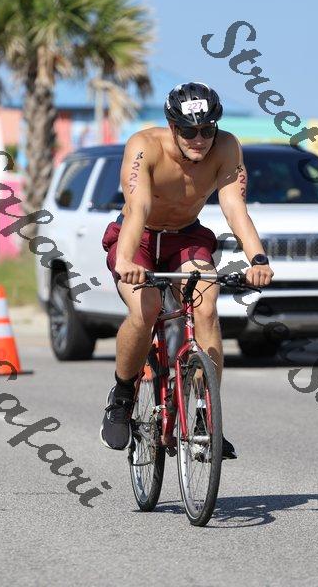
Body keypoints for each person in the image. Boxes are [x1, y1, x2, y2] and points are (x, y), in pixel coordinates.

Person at [100, 82, 274, 458]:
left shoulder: (227, 147)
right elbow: (139, 207)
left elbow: (234, 207)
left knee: (206, 308)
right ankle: (123, 395)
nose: (199, 139)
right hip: (139, 237)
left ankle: (203, 418)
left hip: (186, 237)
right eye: (189, 130)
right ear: (172, 126)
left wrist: (257, 259)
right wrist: (126, 260)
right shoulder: (144, 145)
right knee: (145, 311)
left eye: (207, 130)